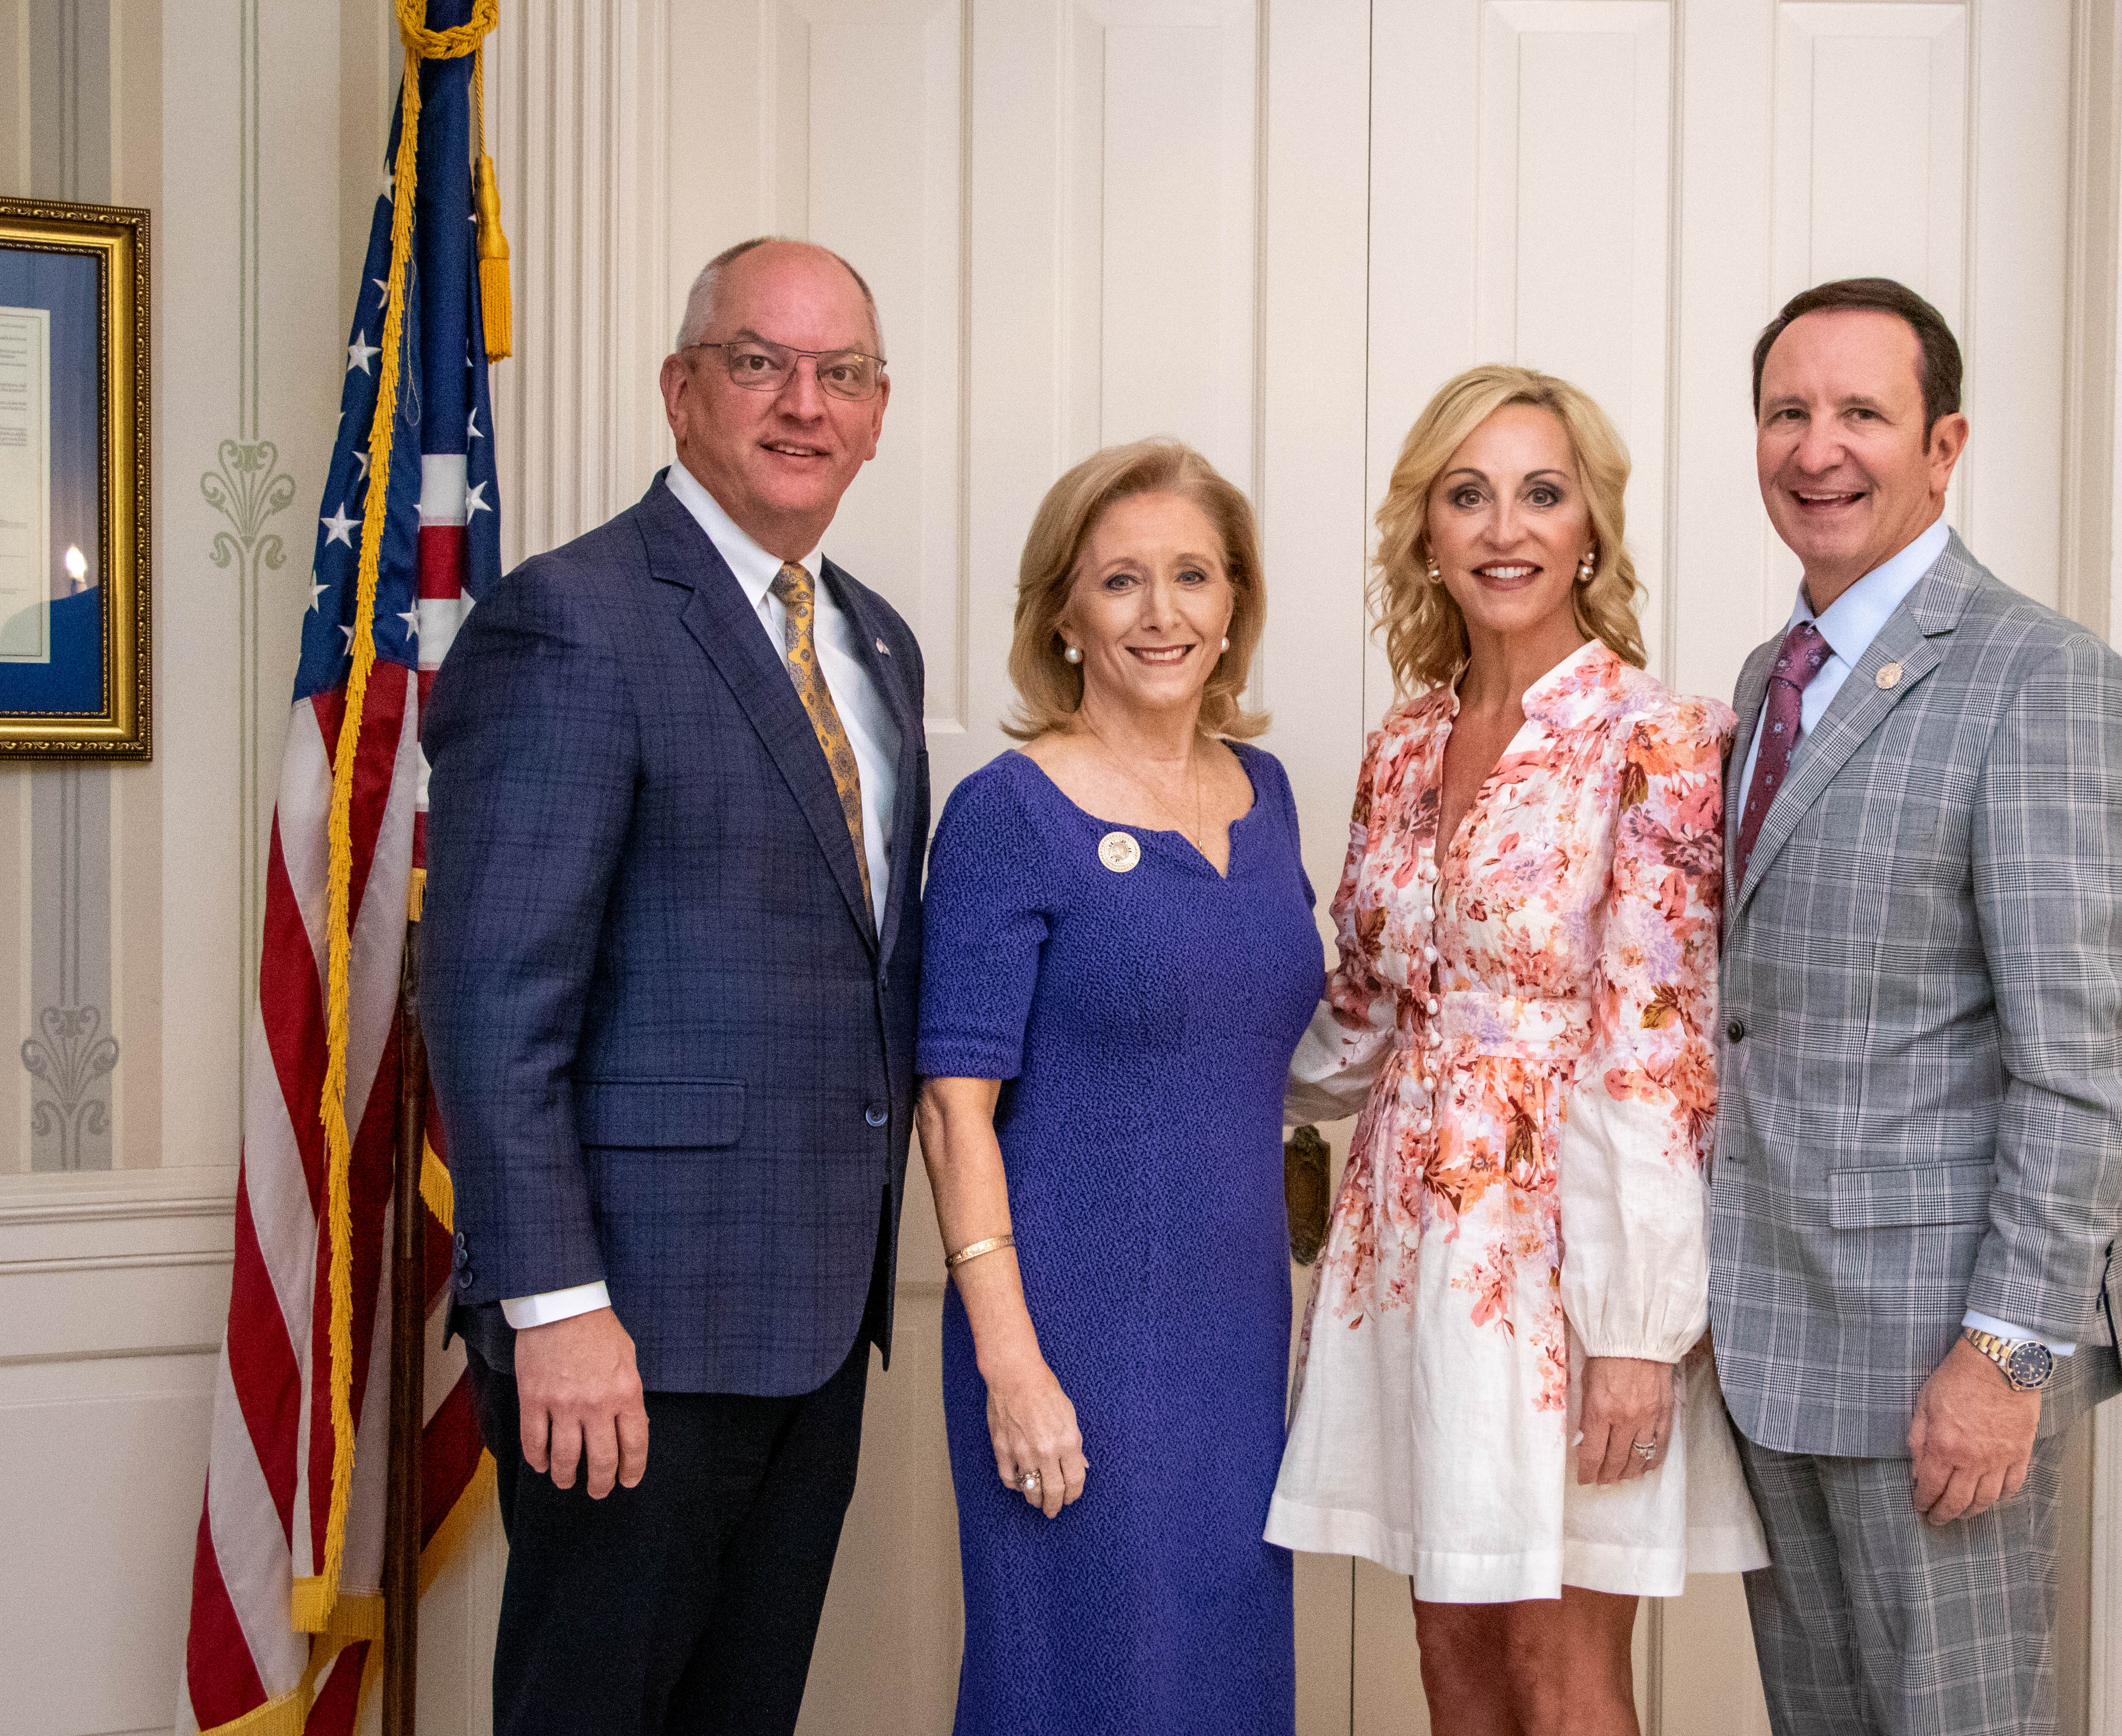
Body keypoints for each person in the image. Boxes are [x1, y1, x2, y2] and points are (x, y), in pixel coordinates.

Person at [418, 237, 928, 1736]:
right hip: (626, 1326)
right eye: (758, 361)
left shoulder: (873, 640)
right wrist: (558, 1304)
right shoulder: (571, 619)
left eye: (840, 373)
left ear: (878, 411)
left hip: (816, 1315)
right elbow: (492, 1002)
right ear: (681, 389)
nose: (801, 402)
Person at [1271, 365, 1768, 1735]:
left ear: (1591, 528)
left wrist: (1637, 1333)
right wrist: (1177, 1073)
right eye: (1467, 493)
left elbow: (1660, 1053)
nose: (1505, 527)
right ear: (1424, 529)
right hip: (1405, 1249)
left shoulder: (1655, 738)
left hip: (1565, 1264)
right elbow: (1363, 1012)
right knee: (1452, 1661)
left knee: (1559, 1676)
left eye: (1542, 493)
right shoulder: (1403, 742)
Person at [1706, 277, 2122, 1736]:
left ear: (1943, 443)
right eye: (1789, 411)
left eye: (1861, 412)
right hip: (1775, 1339)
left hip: (1941, 1367)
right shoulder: (1763, 682)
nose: (1817, 447)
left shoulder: (2045, 683)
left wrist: (2009, 1353)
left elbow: (2084, 1065)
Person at [913, 439, 1323, 1736]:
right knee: (1085, 1686)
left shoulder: (1268, 798)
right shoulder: (1007, 811)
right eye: (1122, 582)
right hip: (1070, 1335)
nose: (1163, 614)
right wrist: (1013, 1368)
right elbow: (952, 1109)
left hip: (1240, 1338)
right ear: (1065, 615)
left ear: (1235, 607)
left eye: (1194, 577)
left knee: (1225, 1683)